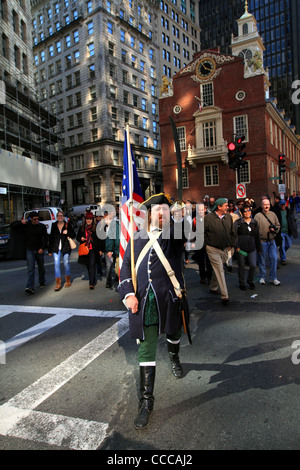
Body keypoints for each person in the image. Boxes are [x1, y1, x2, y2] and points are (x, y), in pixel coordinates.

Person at [118, 193, 189, 430]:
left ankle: (174, 355)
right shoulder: (137, 237)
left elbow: (184, 230)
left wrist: (180, 216)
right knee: (146, 348)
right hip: (144, 301)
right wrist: (128, 294)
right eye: (157, 210)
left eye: (166, 210)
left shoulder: (173, 236)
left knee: (173, 334)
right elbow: (125, 267)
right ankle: (146, 402)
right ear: (149, 215)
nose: (162, 213)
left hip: (169, 299)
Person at [204, 198, 237, 304]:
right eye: (226, 205)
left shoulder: (228, 217)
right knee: (220, 269)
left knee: (218, 269)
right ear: (219, 207)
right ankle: (225, 296)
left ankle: (213, 287)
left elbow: (232, 232)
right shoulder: (208, 218)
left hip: (225, 248)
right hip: (212, 248)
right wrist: (206, 245)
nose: (228, 207)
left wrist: (231, 244)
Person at [18, 211, 48, 294]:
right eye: (35, 219)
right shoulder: (26, 226)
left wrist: (42, 248)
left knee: (41, 267)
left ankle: (42, 281)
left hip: (39, 249)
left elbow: (45, 238)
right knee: (31, 269)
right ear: (30, 219)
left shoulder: (41, 226)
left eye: (38, 219)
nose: (37, 221)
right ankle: (30, 286)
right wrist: (21, 222)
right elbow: (13, 226)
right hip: (30, 249)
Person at [234, 205, 261, 290]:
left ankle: (250, 280)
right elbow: (234, 235)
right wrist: (236, 246)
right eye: (245, 211)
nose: (247, 212)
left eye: (249, 210)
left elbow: (257, 236)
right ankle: (242, 283)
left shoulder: (254, 222)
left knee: (253, 265)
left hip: (252, 248)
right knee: (241, 266)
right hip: (241, 248)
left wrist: (259, 248)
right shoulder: (238, 222)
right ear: (242, 213)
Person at [254, 198, 281, 285]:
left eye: (268, 204)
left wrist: (274, 231)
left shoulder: (273, 214)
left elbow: (278, 225)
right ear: (261, 205)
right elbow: (254, 228)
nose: (266, 206)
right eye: (265, 204)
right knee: (262, 260)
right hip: (262, 241)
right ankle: (262, 277)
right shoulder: (257, 216)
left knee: (274, 258)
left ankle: (273, 278)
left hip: (272, 241)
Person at [48, 209, 76, 291]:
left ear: (64, 217)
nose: (60, 217)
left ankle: (68, 280)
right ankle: (58, 283)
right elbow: (51, 238)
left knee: (66, 263)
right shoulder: (53, 225)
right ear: (56, 217)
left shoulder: (68, 224)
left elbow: (73, 235)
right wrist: (49, 250)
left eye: (61, 216)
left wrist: (67, 232)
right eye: (58, 216)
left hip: (66, 247)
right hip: (56, 247)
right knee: (56, 264)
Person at [77, 211, 102, 289]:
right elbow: (77, 237)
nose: (88, 220)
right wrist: (81, 238)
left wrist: (100, 250)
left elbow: (100, 239)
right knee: (88, 266)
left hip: (93, 249)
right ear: (85, 219)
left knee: (92, 265)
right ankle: (93, 279)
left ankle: (91, 283)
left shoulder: (96, 228)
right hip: (85, 249)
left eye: (90, 219)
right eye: (87, 219)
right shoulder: (82, 228)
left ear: (92, 220)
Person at [192, 203, 212, 284]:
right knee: (200, 261)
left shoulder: (209, 219)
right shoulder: (194, 220)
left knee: (209, 261)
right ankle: (203, 277)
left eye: (202, 210)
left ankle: (210, 277)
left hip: (208, 242)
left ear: (205, 209)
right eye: (199, 210)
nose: (200, 211)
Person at [277, 199, 297, 265]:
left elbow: (293, 221)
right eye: (281, 205)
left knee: (288, 244)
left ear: (286, 205)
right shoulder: (278, 212)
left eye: (284, 204)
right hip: (281, 231)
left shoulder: (289, 212)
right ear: (280, 205)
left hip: (288, 231)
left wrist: (294, 229)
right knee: (282, 246)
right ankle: (283, 259)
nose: (283, 206)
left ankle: (281, 252)